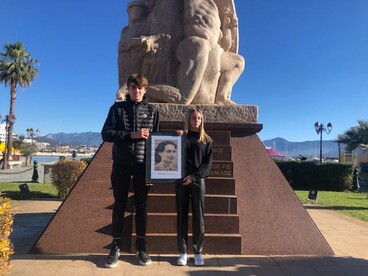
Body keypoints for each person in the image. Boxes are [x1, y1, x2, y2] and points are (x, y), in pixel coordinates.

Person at [101, 74, 160, 268]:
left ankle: (141, 246)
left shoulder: (153, 111)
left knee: (142, 206)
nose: (137, 91)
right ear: (128, 89)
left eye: (140, 88)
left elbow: (157, 143)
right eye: (133, 88)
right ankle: (116, 246)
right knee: (119, 205)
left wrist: (154, 171)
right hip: (121, 164)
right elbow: (106, 134)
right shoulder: (117, 109)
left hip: (143, 166)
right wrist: (131, 135)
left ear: (145, 90)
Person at [176, 108, 213, 266]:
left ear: (201, 120)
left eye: (199, 118)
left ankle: (197, 251)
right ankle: (183, 252)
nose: (196, 120)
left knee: (199, 217)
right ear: (188, 119)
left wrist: (194, 177)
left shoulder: (206, 140)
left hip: (198, 181)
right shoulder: (180, 138)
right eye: (193, 118)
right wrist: (175, 138)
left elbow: (207, 165)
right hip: (181, 181)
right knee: (181, 216)